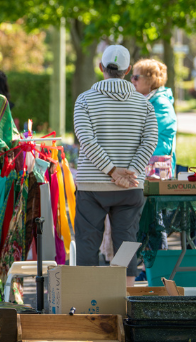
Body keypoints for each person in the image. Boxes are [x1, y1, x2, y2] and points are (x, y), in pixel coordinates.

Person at [73, 45, 157, 286]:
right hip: (130, 187)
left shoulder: (84, 100)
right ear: (128, 70)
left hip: (93, 185)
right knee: (126, 242)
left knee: (88, 242)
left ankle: (88, 302)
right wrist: (129, 172)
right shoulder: (145, 106)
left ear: (101, 68)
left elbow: (85, 140)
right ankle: (124, 300)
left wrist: (111, 170)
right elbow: (150, 140)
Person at [132, 59, 177, 169]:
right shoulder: (146, 100)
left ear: (150, 79)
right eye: (132, 77)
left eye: (136, 77)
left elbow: (144, 132)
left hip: (157, 167)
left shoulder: (161, 104)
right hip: (146, 165)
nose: (132, 81)